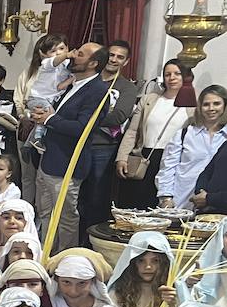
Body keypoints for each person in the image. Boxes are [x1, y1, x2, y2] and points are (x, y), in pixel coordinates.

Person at [31, 43, 113, 253]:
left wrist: (49, 118)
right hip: (50, 159)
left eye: (80, 54)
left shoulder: (98, 90)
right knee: (46, 214)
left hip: (67, 164)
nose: (73, 55)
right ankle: (46, 255)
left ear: (93, 63)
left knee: (66, 217)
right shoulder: (72, 83)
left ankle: (65, 259)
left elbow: (82, 128)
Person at [78, 40, 139, 243]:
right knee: (75, 196)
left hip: (103, 148)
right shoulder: (88, 79)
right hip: (77, 143)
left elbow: (118, 116)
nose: (114, 59)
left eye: (119, 57)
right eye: (111, 55)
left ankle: (92, 242)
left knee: (96, 197)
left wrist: (85, 116)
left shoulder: (127, 88)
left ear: (126, 61)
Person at [117, 60, 195, 208]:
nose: (172, 78)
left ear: (185, 76)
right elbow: (133, 131)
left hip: (174, 161)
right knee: (135, 206)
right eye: (167, 74)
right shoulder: (150, 99)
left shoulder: (193, 104)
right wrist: (122, 157)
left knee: (163, 208)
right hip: (145, 157)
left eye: (177, 74)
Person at [175, 85, 227, 211]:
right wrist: (166, 197)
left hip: (216, 208)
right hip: (183, 201)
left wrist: (209, 198)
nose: (211, 108)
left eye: (216, 104)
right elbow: (208, 171)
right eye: (206, 104)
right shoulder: (185, 134)